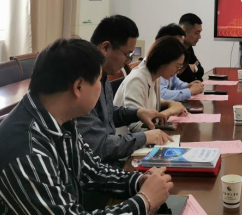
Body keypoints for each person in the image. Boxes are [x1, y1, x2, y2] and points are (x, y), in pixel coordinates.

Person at [0, 38, 173, 215]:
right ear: (78, 87)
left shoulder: (59, 119)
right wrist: (144, 200)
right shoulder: (25, 149)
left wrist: (138, 181)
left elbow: (90, 171)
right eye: (99, 80)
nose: (101, 88)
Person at [76, 15, 171, 166]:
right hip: (99, 166)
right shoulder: (83, 82)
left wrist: (137, 113)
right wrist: (145, 138)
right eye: (127, 54)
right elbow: (99, 146)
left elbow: (106, 113)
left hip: (106, 164)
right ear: (105, 48)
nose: (128, 60)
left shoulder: (102, 75)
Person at [114, 36, 189, 130]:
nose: (177, 72)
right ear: (164, 60)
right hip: (127, 137)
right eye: (178, 66)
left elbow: (150, 102)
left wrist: (169, 103)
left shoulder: (155, 76)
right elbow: (135, 126)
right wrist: (170, 111)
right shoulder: (137, 79)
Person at [155, 23, 205, 101]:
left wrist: (188, 86)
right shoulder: (156, 65)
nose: (181, 49)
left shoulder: (169, 62)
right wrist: (190, 91)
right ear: (164, 45)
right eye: (177, 45)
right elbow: (161, 95)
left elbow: (175, 82)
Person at [177, 13, 205, 83]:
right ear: (184, 32)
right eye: (196, 33)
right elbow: (182, 75)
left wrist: (193, 68)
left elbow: (201, 71)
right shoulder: (174, 48)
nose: (199, 37)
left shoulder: (188, 46)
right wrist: (189, 68)